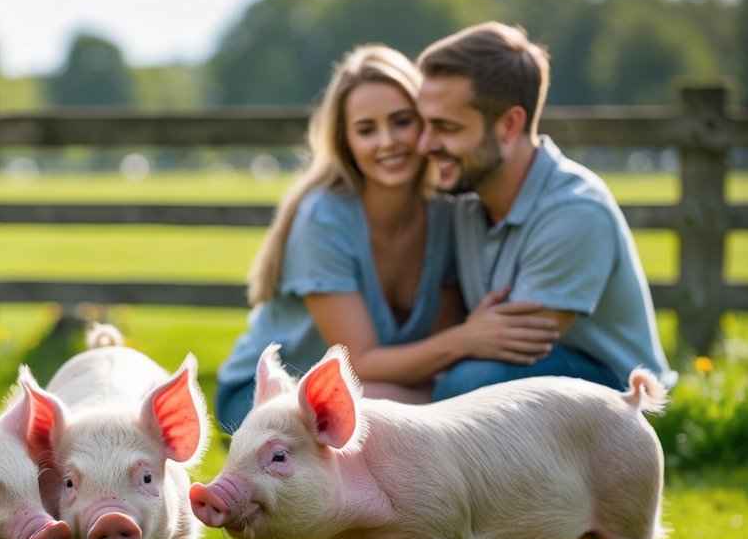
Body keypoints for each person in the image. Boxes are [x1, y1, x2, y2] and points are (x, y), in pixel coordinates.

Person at [215, 44, 559, 433]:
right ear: (346, 142)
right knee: (392, 412)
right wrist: (467, 341)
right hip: (265, 393)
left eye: (401, 121)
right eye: (366, 130)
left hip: (377, 389)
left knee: (427, 411)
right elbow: (357, 363)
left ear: (427, 125)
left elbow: (435, 357)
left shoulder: (448, 215)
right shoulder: (323, 218)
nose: (387, 142)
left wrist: (458, 358)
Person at [415, 22, 675, 401]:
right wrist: (467, 336)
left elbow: (516, 344)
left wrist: (463, 339)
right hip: (535, 384)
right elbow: (467, 336)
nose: (424, 144)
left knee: (466, 386)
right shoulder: (466, 199)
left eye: (446, 127)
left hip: (622, 400)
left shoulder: (576, 209)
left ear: (509, 124)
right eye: (423, 123)